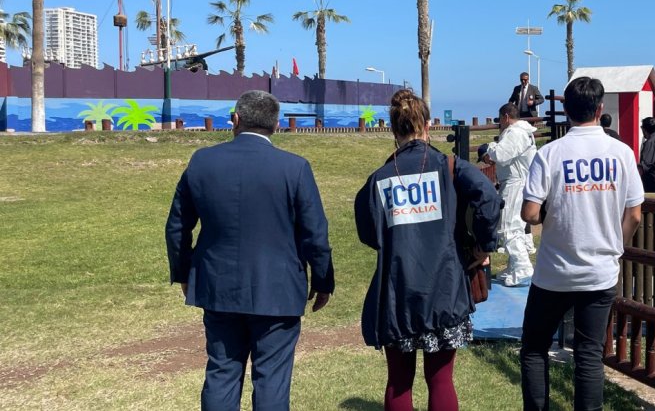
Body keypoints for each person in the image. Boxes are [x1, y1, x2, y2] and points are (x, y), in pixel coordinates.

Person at [165, 90, 335, 410]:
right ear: (276, 125)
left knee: (221, 373)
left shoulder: (202, 161)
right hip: (278, 290)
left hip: (218, 287)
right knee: (272, 380)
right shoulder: (295, 167)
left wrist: (183, 272)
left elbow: (177, 226)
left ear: (236, 119)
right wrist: (323, 281)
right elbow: (315, 233)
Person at [355, 89, 501, 411]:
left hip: (397, 292)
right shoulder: (448, 166)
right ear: (427, 125)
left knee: (398, 381)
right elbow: (489, 198)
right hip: (444, 289)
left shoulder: (379, 178)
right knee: (440, 380)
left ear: (393, 130)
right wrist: (483, 246)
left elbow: (368, 232)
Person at [519, 77, 644, 411]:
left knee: (534, 348)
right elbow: (634, 214)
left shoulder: (550, 153)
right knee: (589, 355)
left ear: (566, 110)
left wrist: (547, 212)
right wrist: (617, 247)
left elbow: (530, 212)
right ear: (600, 109)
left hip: (554, 272)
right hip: (600, 271)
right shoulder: (622, 153)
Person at [482, 103, 538, 286]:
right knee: (516, 226)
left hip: (515, 183)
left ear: (506, 117)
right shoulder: (524, 132)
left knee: (508, 227)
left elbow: (501, 155)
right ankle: (514, 266)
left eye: (500, 119)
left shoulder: (515, 133)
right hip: (519, 182)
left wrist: (490, 147)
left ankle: (523, 267)